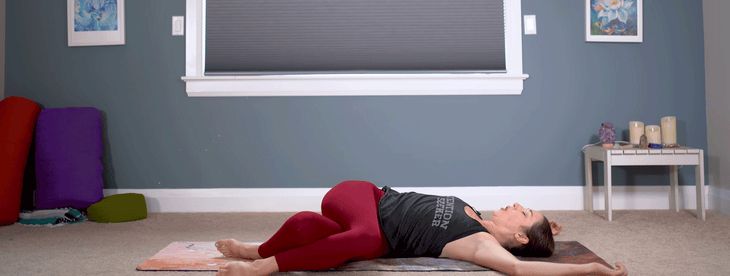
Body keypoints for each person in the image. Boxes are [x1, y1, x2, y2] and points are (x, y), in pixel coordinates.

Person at [214, 180, 627, 276]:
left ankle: (258, 255)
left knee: (307, 225)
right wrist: (543, 228)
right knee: (365, 235)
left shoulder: (482, 244)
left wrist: (589, 270)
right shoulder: (477, 213)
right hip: (364, 197)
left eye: (524, 212)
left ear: (519, 237)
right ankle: (260, 260)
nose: (516, 204)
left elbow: (520, 269)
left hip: (366, 237)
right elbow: (529, 241)